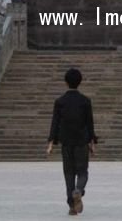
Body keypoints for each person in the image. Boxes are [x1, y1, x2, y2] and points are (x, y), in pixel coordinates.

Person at [47, 68, 97, 216]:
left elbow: (55, 123)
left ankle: (71, 206)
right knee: (82, 172)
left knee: (69, 174)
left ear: (66, 82)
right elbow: (90, 123)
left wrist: (51, 143)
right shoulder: (85, 101)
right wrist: (92, 142)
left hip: (66, 142)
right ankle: (79, 190)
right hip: (81, 141)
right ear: (80, 81)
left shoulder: (60, 101)